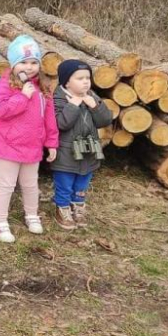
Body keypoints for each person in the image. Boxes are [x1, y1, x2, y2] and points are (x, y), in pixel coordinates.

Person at [0, 35, 59, 243]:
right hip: (7, 145)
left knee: (30, 185)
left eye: (33, 62)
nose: (29, 67)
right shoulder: (5, 84)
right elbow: (0, 110)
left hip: (32, 146)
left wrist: (52, 142)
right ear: (13, 64)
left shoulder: (42, 88)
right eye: (23, 62)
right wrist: (22, 96)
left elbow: (49, 117)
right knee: (6, 185)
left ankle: (32, 215)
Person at [51, 59, 112, 230]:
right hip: (66, 151)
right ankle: (62, 207)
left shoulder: (91, 96)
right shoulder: (59, 97)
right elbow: (61, 124)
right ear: (67, 82)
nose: (85, 81)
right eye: (79, 78)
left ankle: (78, 204)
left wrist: (95, 106)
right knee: (65, 181)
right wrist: (73, 106)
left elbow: (105, 120)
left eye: (87, 78)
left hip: (89, 149)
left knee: (83, 181)